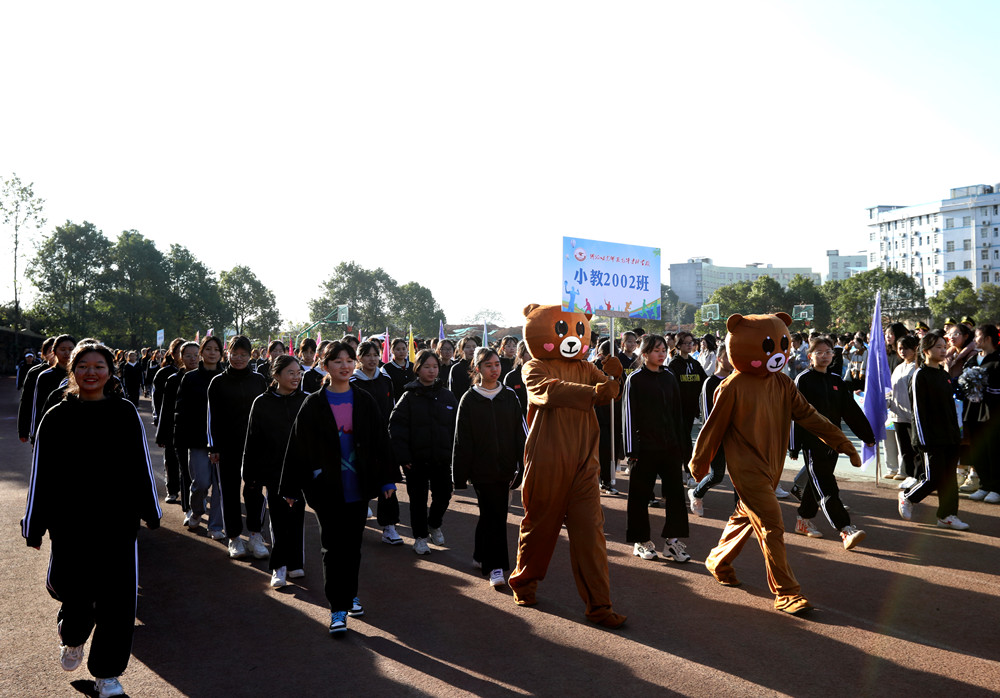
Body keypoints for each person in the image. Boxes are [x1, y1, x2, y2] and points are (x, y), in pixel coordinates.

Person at [21, 342, 161, 698]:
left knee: (118, 601)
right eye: (83, 366)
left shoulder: (125, 412)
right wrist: (34, 525)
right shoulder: (57, 416)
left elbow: (140, 466)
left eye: (99, 366)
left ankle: (107, 674)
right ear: (72, 371)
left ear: (110, 373)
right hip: (70, 524)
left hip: (117, 523)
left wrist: (150, 510)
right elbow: (42, 475)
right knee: (76, 593)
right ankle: (72, 637)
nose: (91, 373)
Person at [278, 341, 396, 636]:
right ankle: (338, 609)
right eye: (337, 361)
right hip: (325, 488)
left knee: (352, 546)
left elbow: (382, 440)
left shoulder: (365, 400)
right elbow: (297, 447)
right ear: (324, 365)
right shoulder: (313, 403)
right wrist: (291, 487)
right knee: (332, 547)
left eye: (349, 360)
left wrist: (387, 478)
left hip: (359, 484)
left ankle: (350, 594)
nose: (345, 366)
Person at [788, 337, 875, 550]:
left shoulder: (837, 381)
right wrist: (794, 445)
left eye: (828, 352)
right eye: (820, 352)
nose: (825, 356)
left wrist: (867, 436)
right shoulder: (803, 380)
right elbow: (794, 414)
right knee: (827, 485)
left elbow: (851, 412)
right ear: (810, 356)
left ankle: (803, 519)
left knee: (815, 483)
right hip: (811, 442)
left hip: (833, 443)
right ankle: (845, 529)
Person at [452, 348, 527, 588]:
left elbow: (521, 434)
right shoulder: (469, 399)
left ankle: (480, 554)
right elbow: (461, 440)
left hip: (506, 468)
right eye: (488, 365)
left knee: (491, 514)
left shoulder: (509, 396)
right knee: (495, 514)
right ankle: (496, 568)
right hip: (481, 470)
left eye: (497, 364)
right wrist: (460, 476)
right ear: (477, 369)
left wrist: (523, 465)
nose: (494, 369)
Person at [623, 335, 691, 563]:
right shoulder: (635, 379)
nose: (662, 353)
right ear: (645, 354)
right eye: (656, 350)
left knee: (675, 496)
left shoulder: (670, 378)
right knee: (639, 497)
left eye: (664, 349)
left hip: (670, 447)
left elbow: (676, 415)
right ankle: (641, 541)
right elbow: (628, 416)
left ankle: (672, 542)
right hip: (644, 449)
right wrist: (632, 450)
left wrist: (682, 447)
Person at [243, 355, 309, 588]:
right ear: (276, 375)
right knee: (279, 516)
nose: (296, 377)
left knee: (297, 515)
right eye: (290, 373)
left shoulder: (307, 400)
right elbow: (252, 440)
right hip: (272, 470)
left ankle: (295, 563)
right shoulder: (261, 402)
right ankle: (279, 566)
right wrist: (249, 474)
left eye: (299, 372)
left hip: (300, 469)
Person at [389, 350, 458, 555]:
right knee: (417, 501)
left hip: (442, 458)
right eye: (427, 366)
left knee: (444, 495)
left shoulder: (447, 395)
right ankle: (419, 538)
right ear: (417, 369)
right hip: (416, 461)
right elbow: (396, 427)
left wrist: (456, 455)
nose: (431, 370)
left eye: (435, 366)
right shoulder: (409, 396)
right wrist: (404, 457)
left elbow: (457, 427)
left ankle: (433, 524)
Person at [898, 333, 969, 530]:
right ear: (926, 350)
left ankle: (947, 515)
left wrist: (957, 434)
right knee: (933, 477)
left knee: (949, 479)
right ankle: (909, 497)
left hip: (950, 436)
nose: (943, 350)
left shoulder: (944, 375)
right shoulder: (919, 375)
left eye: (944, 346)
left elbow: (950, 408)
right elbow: (918, 412)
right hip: (929, 437)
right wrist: (923, 439)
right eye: (938, 347)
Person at [208, 335, 269, 559]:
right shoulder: (218, 382)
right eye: (235, 354)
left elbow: (266, 413)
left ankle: (255, 535)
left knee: (254, 491)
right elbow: (211, 417)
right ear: (228, 354)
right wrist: (213, 446)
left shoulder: (259, 380)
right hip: (226, 447)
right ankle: (234, 537)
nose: (239, 358)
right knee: (230, 492)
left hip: (255, 447)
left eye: (243, 354)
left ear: (250, 355)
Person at [351, 340, 404, 545]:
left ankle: (389, 526)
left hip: (384, 438)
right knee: (360, 481)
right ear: (359, 358)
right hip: (360, 441)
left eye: (375, 355)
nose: (372, 359)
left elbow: (392, 408)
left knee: (387, 481)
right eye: (367, 355)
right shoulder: (353, 382)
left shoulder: (385, 379)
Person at [174, 336, 225, 538]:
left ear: (222, 353)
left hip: (223, 442)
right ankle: (196, 511)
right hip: (197, 440)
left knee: (220, 487)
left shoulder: (226, 377)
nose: (212, 353)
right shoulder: (190, 378)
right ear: (202, 352)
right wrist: (179, 438)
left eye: (216, 349)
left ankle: (215, 526)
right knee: (201, 483)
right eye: (208, 349)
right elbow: (181, 409)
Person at [689, 343, 734, 517]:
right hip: (717, 435)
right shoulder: (710, 382)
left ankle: (740, 510)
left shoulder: (737, 379)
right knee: (717, 475)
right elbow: (708, 413)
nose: (731, 361)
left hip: (736, 436)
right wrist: (716, 435)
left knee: (739, 476)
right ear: (719, 359)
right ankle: (696, 493)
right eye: (727, 357)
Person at [155, 341, 200, 510]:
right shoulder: (172, 380)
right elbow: (165, 408)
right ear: (180, 357)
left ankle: (195, 501)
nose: (192, 359)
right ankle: (175, 494)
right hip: (174, 430)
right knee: (174, 462)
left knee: (194, 471)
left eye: (196, 355)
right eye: (188, 355)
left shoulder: (206, 378)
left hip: (198, 432)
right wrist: (161, 434)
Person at [963, 325, 1000, 504]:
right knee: (977, 448)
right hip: (972, 411)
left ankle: (996, 488)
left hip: (992, 413)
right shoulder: (972, 359)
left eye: (977, 337)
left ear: (987, 339)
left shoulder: (998, 360)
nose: (974, 340)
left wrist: (986, 390)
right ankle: (984, 485)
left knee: (993, 450)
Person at [667, 331, 707, 488]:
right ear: (678, 345)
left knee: (685, 441)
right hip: (678, 411)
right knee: (683, 442)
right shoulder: (673, 364)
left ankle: (686, 473)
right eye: (686, 343)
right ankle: (687, 474)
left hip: (691, 411)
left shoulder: (695, 363)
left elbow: (705, 382)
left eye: (691, 342)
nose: (690, 345)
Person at [29, 335, 77, 443]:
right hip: (51, 431)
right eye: (63, 349)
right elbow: (37, 407)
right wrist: (34, 436)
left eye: (71, 349)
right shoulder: (45, 376)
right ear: (54, 352)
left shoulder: (82, 375)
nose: (67, 353)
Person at [887, 336, 920, 487]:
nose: (903, 351)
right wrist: (886, 402)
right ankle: (909, 475)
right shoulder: (899, 367)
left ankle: (920, 476)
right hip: (897, 415)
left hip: (913, 416)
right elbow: (892, 390)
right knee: (905, 449)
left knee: (916, 448)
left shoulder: (917, 367)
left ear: (915, 349)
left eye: (906, 348)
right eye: (900, 348)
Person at [594, 341, 624, 495]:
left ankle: (607, 479)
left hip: (615, 414)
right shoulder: (595, 366)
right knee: (602, 449)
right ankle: (603, 480)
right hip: (599, 414)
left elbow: (622, 389)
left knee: (613, 448)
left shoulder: (618, 367)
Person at [17, 336, 55, 441]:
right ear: (44, 354)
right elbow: (26, 402)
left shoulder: (74, 373)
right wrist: (23, 431)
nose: (55, 354)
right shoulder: (35, 373)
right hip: (40, 427)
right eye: (51, 350)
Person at [380, 338, 414, 403]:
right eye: (398, 349)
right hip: (395, 403)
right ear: (392, 350)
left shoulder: (412, 366)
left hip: (413, 403)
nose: (401, 351)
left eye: (404, 349)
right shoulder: (386, 368)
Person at [503, 340, 531, 417]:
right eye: (528, 352)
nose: (532, 356)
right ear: (520, 354)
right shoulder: (511, 377)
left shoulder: (541, 375)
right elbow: (507, 403)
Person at [448, 336, 478, 401]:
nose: (472, 349)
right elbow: (453, 392)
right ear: (461, 350)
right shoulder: (456, 368)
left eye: (474, 347)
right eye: (468, 347)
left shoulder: (481, 366)